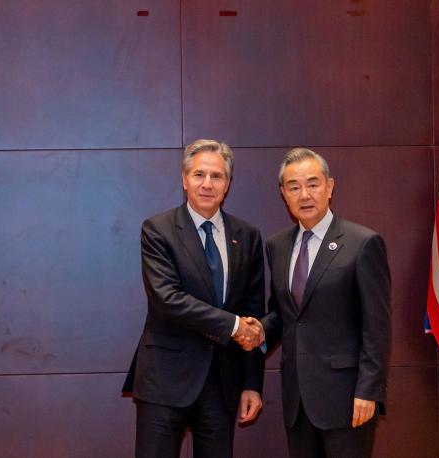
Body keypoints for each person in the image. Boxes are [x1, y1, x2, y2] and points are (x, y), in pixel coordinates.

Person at [122, 139, 266, 457]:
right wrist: (233, 326)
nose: (207, 184)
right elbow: (167, 298)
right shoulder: (158, 229)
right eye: (199, 174)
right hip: (165, 379)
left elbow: (254, 315)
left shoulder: (247, 236)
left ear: (227, 184)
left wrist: (252, 383)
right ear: (185, 180)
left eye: (217, 176)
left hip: (222, 383)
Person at [261, 148, 391, 458]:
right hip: (297, 400)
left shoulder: (362, 243)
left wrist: (368, 391)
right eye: (294, 187)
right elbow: (284, 314)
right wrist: (254, 330)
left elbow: (377, 327)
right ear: (283, 194)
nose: (304, 195)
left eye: (313, 184)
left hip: (348, 400)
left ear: (329, 187)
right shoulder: (277, 246)